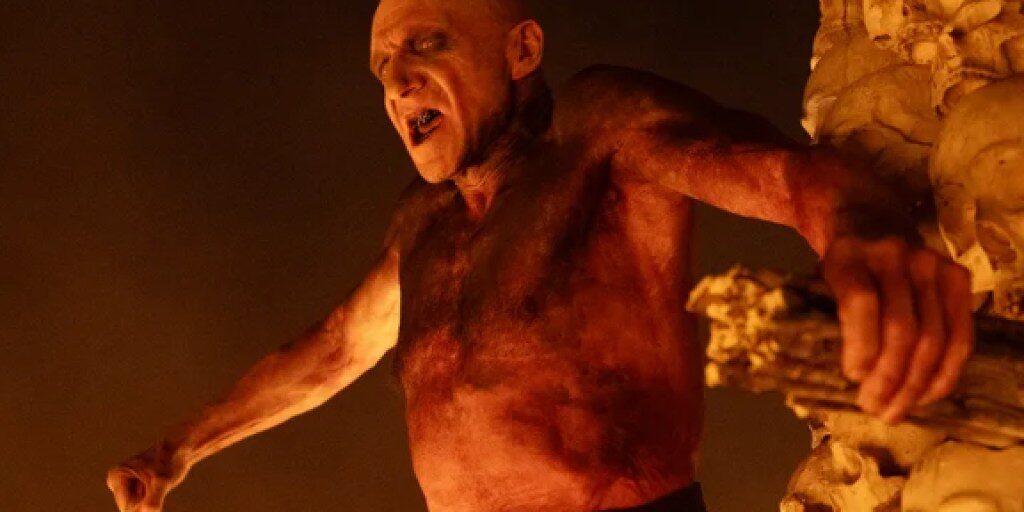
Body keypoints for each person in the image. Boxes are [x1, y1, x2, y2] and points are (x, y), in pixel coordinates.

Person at [107, 0, 975, 510]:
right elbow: (335, 349)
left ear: (521, 50)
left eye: (427, 43)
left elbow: (790, 175)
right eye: (382, 65)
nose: (397, 81)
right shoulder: (423, 222)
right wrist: (179, 449)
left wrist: (864, 238)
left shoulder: (597, 133)